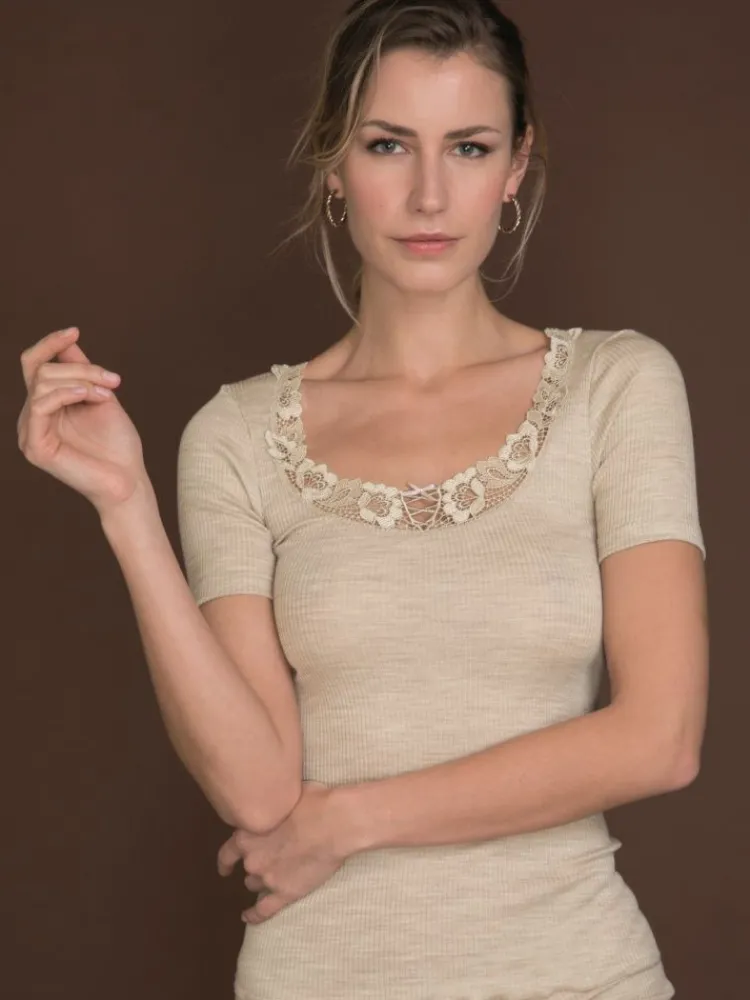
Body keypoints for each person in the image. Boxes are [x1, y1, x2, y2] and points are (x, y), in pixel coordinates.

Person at [17, 1, 709, 997]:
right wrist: (126, 508)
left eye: (469, 147)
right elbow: (259, 791)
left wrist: (348, 819)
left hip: (579, 974)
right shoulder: (236, 434)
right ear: (335, 165)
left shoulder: (618, 387)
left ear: (516, 166)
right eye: (389, 145)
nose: (429, 194)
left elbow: (661, 738)